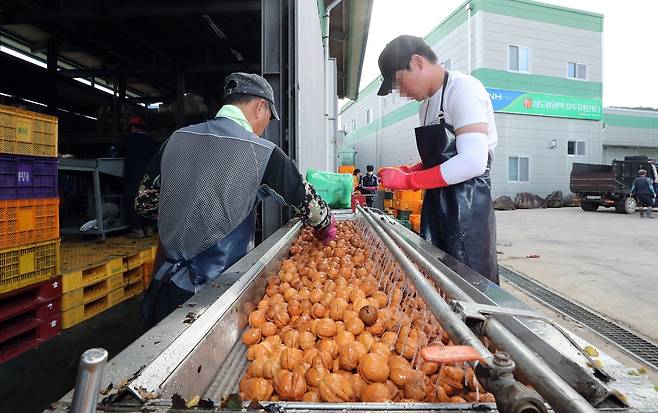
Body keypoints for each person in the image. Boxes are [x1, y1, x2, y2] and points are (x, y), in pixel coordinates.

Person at [141, 72, 336, 327]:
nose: (265, 127)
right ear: (260, 107)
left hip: (163, 283)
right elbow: (311, 207)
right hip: (216, 295)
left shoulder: (175, 139)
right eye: (268, 119)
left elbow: (144, 203)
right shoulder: (263, 153)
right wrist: (327, 230)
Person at [376, 35, 499, 284]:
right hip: (437, 204)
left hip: (468, 205)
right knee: (439, 279)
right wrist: (409, 170)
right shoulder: (427, 106)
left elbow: (471, 162)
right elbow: (439, 160)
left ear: (417, 61)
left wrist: (410, 180)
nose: (403, 93)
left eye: (400, 82)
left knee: (471, 285)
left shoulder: (463, 89)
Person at [120, 116, 160, 238]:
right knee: (149, 200)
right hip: (149, 178)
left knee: (134, 201)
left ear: (132, 128)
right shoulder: (152, 143)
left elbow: (116, 153)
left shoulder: (127, 140)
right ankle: (149, 228)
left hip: (133, 175)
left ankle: (137, 230)